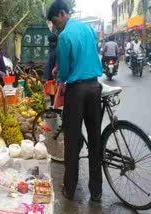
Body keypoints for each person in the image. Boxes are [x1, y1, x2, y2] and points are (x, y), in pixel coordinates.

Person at [47, 0, 103, 202]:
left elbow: (63, 71)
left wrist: (59, 75)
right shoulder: (88, 29)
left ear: (63, 13)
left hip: (77, 91)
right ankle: (96, 191)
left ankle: (69, 189)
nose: (56, 26)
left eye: (56, 21)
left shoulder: (65, 36)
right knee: (95, 139)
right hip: (95, 87)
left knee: (71, 141)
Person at [45, 34, 58, 105]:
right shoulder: (51, 48)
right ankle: (52, 103)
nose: (50, 43)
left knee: (54, 89)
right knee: (51, 88)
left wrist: (56, 69)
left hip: (54, 72)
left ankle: (54, 104)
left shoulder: (57, 49)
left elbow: (57, 61)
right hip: (50, 72)